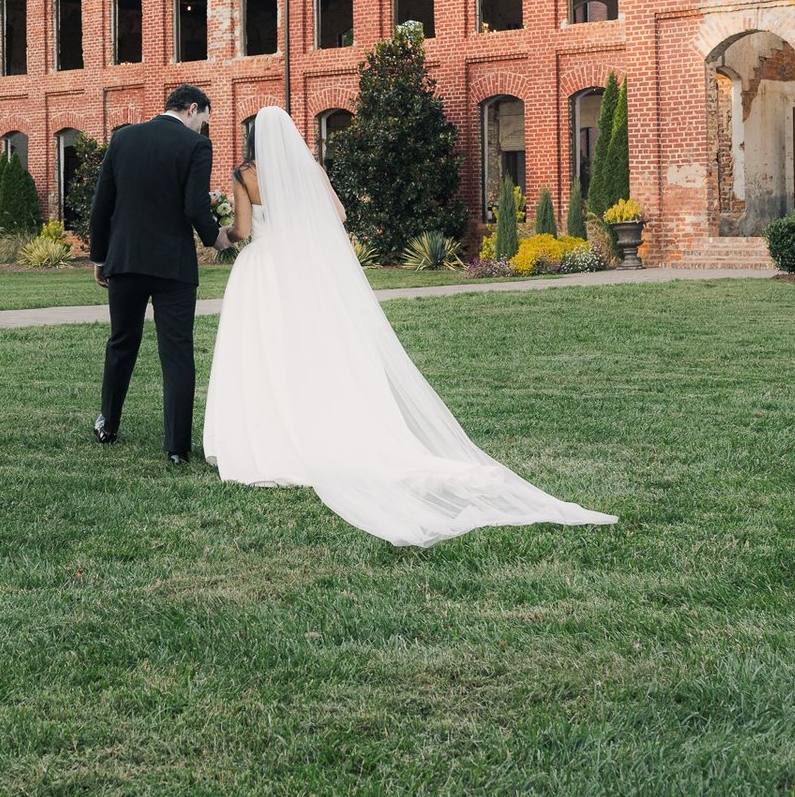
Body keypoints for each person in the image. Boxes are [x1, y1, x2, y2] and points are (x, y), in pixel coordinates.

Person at [201, 106, 616, 546]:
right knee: (315, 350)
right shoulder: (310, 170)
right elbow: (339, 217)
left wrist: (222, 231)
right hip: (304, 271)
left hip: (264, 270)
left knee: (266, 350)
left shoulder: (244, 175)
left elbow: (243, 231)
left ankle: (269, 433)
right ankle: (322, 423)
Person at [88, 85, 234, 463]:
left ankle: (108, 424)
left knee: (121, 341)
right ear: (191, 108)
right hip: (173, 266)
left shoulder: (123, 138)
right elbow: (194, 205)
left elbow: (101, 204)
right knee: (177, 351)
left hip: (126, 260)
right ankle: (177, 449)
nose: (203, 129)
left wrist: (100, 258)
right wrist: (217, 239)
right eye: (203, 120)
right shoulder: (195, 147)